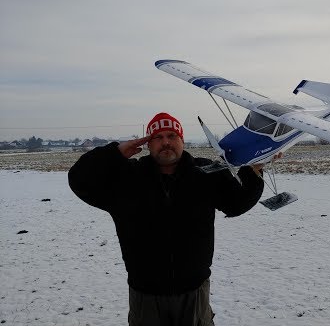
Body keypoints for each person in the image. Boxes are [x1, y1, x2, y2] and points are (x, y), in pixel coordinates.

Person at [68, 112, 265, 326]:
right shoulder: (126, 179)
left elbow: (237, 203)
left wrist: (253, 171)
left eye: (172, 135)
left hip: (194, 292)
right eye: (157, 137)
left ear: (182, 140)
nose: (166, 142)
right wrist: (113, 154)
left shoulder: (205, 172)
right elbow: (79, 180)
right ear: (147, 143)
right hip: (145, 296)